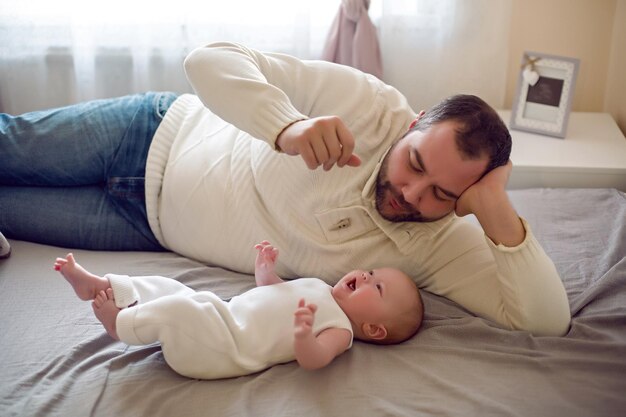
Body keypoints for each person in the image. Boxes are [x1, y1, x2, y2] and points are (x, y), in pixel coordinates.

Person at [0, 41, 570, 336]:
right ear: (413, 123)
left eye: (444, 194)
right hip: (150, 132)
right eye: (415, 162)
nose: (412, 195)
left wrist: (492, 204)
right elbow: (208, 59)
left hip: (139, 223)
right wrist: (287, 125)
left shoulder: (438, 243)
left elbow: (546, 321)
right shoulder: (365, 104)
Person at [53, 241, 423, 379]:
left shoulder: (340, 330)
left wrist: (303, 335)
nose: (363, 274)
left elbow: (315, 359)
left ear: (374, 328)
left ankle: (122, 327)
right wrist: (266, 269)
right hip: (221, 315)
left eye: (376, 285)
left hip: (226, 350)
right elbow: (273, 292)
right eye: (370, 271)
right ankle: (103, 287)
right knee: (170, 289)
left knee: (179, 308)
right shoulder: (320, 286)